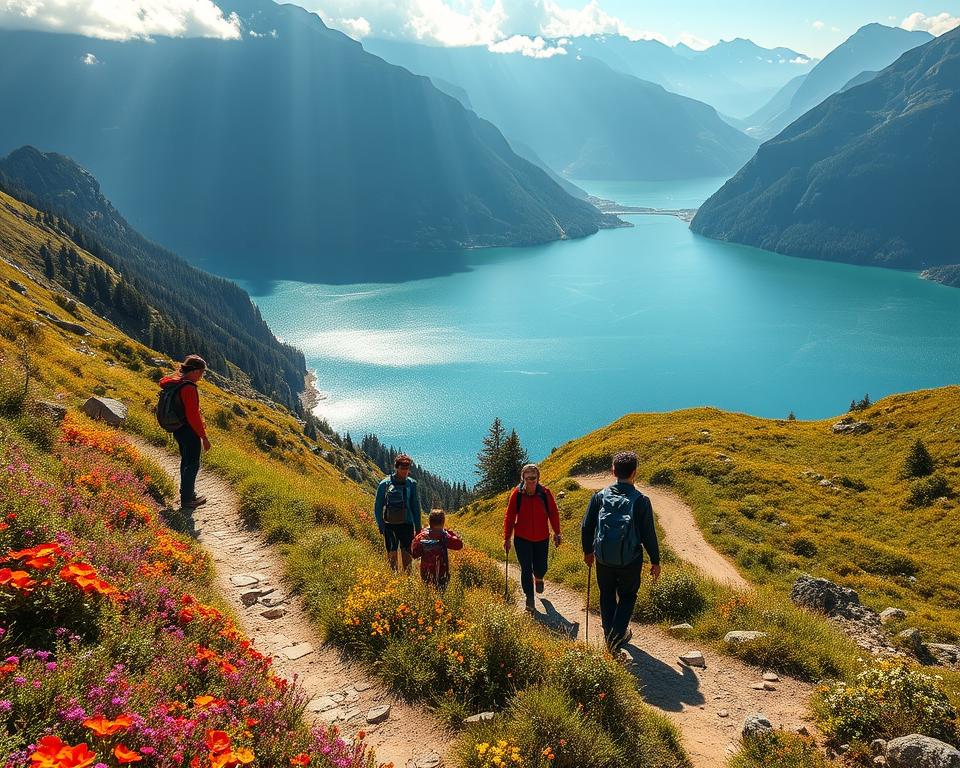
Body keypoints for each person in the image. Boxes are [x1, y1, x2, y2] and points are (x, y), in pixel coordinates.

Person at [581, 450, 660, 652]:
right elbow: (649, 535)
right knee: (627, 596)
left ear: (613, 471)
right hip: (630, 560)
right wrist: (655, 561)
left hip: (603, 558)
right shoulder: (641, 501)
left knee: (606, 594)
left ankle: (610, 635)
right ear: (634, 472)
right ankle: (615, 637)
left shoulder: (599, 496)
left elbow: (586, 527)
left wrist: (588, 552)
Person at [503, 463, 562, 613]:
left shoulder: (545, 493)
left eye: (533, 477)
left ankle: (539, 577)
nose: (531, 480)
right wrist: (507, 538)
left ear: (538, 478)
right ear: (523, 478)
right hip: (522, 539)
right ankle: (529, 599)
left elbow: (553, 513)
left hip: (542, 538)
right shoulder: (517, 494)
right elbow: (509, 517)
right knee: (526, 569)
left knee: (541, 567)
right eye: (527, 477)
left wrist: (557, 532)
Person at [157, 355, 212, 509]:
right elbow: (193, 416)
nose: (201, 376)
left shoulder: (177, 383)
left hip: (179, 429)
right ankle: (187, 499)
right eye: (201, 372)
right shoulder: (189, 388)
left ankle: (187, 492)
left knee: (186, 461)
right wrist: (204, 437)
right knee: (192, 464)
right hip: (189, 431)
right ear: (194, 371)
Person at [373, 453, 423, 572]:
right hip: (389, 524)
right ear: (396, 467)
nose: (405, 471)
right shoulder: (384, 484)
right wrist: (381, 524)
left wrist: (418, 527)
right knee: (392, 553)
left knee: (407, 554)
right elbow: (378, 506)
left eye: (407, 468)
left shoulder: (412, 483)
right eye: (402, 468)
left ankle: (407, 581)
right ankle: (394, 578)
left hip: (407, 524)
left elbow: (415, 506)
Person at [410, 510, 464, 589]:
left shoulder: (422, 535)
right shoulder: (445, 536)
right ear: (443, 522)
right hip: (442, 572)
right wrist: (449, 532)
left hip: (425, 572)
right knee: (441, 593)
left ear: (430, 521)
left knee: (427, 592)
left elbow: (414, 553)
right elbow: (459, 545)